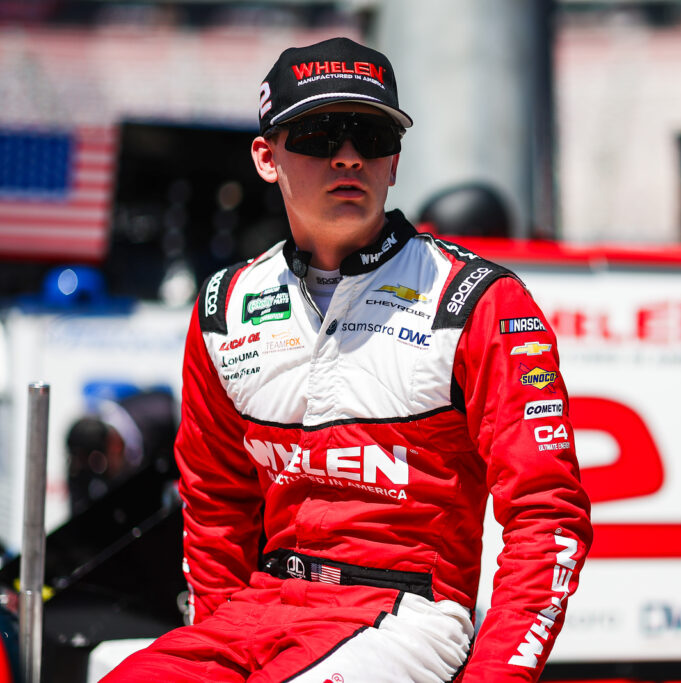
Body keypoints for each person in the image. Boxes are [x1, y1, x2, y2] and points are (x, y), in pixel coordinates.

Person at [102, 36, 591, 682]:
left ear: (395, 161)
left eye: (372, 136)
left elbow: (548, 515)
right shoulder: (225, 306)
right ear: (267, 157)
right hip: (257, 610)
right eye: (320, 134)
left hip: (407, 614)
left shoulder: (476, 299)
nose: (349, 156)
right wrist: (218, 643)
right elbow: (215, 507)